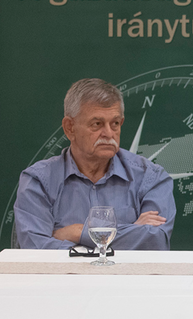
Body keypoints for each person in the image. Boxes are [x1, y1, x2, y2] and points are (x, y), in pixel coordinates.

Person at [14, 79, 175, 250]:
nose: (109, 134)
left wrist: (78, 232)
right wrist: (131, 231)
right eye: (97, 124)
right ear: (70, 128)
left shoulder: (150, 177)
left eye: (115, 123)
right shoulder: (39, 181)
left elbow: (154, 241)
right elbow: (36, 250)